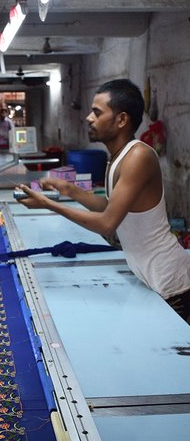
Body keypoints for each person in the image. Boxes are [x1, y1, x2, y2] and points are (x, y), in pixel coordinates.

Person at [16, 79, 190, 323]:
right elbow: (112, 208)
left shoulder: (138, 156)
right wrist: (69, 189)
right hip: (150, 275)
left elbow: (108, 223)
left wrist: (49, 204)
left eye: (97, 112)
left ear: (121, 120)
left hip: (171, 281)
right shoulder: (117, 158)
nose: (88, 118)